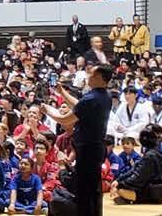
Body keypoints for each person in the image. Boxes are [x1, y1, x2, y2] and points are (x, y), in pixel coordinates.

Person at [44, 63, 114, 216]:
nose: (88, 77)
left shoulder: (91, 98)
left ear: (99, 77)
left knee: (84, 191)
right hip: (96, 148)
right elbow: (79, 106)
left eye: (92, 74)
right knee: (94, 189)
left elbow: (65, 120)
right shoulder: (105, 96)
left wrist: (47, 110)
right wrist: (62, 92)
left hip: (87, 149)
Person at [112, 128, 162, 204]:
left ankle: (130, 198)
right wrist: (118, 180)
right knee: (119, 186)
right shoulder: (153, 151)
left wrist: (121, 184)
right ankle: (127, 198)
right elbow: (134, 169)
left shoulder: (150, 155)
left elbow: (138, 177)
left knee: (119, 189)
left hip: (155, 191)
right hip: (158, 187)